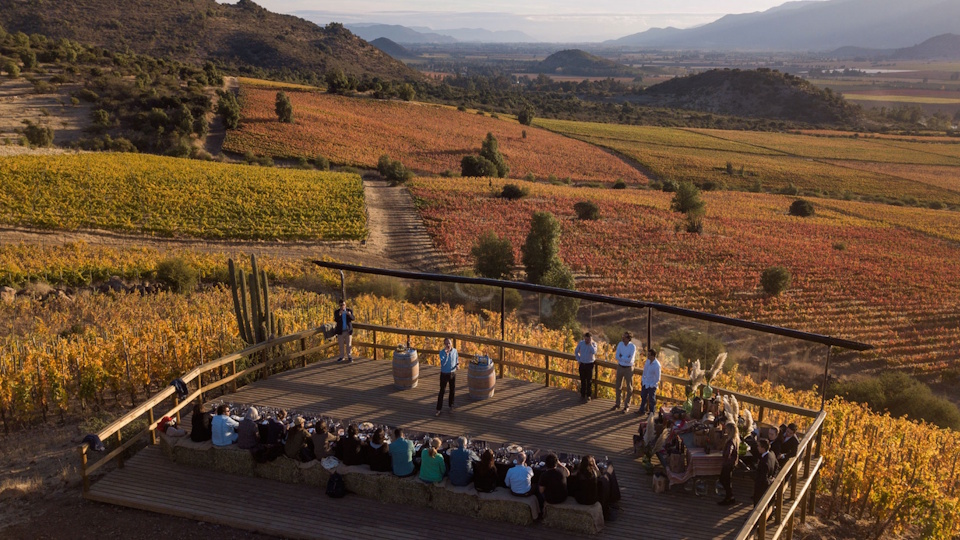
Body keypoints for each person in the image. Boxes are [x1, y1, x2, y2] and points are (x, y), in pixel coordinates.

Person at [613, 332, 637, 413]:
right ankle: (617, 404)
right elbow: (616, 356)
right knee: (618, 386)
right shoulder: (620, 344)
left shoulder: (632, 347)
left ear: (628, 338)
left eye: (625, 337)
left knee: (629, 388)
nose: (623, 338)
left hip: (628, 368)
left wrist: (621, 357)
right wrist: (625, 358)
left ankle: (627, 406)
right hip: (620, 367)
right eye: (622, 336)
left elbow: (630, 360)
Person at [436, 338, 459, 417]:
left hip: (452, 373)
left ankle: (451, 406)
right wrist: (446, 355)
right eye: (446, 344)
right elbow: (443, 364)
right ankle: (439, 409)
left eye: (449, 343)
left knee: (452, 390)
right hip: (444, 373)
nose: (448, 345)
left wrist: (457, 364)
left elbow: (456, 359)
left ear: (451, 343)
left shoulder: (455, 351)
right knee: (442, 391)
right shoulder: (442, 353)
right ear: (444, 345)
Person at [718, 422, 740, 506]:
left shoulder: (731, 441)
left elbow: (729, 452)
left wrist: (725, 456)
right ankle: (730, 496)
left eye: (726, 428)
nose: (725, 430)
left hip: (728, 464)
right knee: (727, 480)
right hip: (731, 463)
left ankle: (729, 496)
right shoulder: (735, 439)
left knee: (724, 480)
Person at [753, 438, 780, 506]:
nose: (757, 447)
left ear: (763, 448)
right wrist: (773, 477)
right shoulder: (772, 454)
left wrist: (768, 482)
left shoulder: (764, 462)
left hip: (761, 487)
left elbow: (763, 478)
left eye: (758, 446)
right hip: (768, 480)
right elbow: (777, 466)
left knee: (758, 503)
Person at [574, 332, 598, 402]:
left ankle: (589, 395)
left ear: (591, 339)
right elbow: (576, 351)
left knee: (589, 381)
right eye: (586, 339)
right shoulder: (581, 343)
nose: (587, 341)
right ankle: (582, 395)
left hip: (589, 364)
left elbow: (594, 352)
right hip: (582, 364)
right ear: (584, 338)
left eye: (588, 339)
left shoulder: (593, 344)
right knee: (583, 380)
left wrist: (590, 345)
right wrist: (578, 359)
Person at [639, 348, 661, 415]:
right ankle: (642, 410)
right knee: (643, 396)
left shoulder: (657, 365)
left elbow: (658, 378)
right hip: (646, 382)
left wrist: (652, 384)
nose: (648, 356)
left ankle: (652, 412)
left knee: (652, 399)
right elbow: (644, 372)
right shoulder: (647, 361)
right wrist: (643, 380)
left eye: (649, 355)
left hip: (652, 384)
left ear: (653, 356)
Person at [334, 299, 355, 363]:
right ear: (339, 305)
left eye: (343, 305)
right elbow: (336, 319)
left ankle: (349, 356)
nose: (342, 306)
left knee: (348, 345)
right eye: (341, 305)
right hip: (340, 331)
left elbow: (353, 318)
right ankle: (341, 357)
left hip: (348, 331)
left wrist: (349, 315)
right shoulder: (337, 312)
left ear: (345, 305)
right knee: (341, 345)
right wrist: (339, 315)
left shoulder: (349, 311)